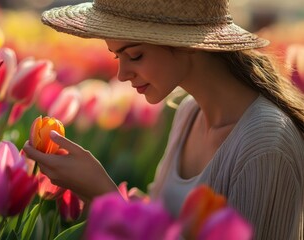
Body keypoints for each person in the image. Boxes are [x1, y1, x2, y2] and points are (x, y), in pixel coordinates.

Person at [22, 0, 304, 239]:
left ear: (189, 44)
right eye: (117, 56)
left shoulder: (265, 143)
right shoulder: (189, 112)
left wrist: (104, 196)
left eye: (135, 55)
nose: (121, 74)